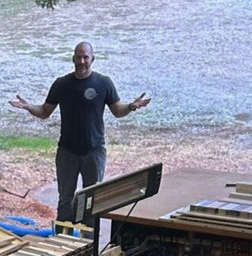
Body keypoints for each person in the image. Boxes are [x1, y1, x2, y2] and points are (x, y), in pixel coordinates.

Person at [10, 41, 151, 222]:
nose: (82, 61)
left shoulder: (104, 83)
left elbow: (117, 111)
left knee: (92, 201)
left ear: (93, 58)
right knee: (65, 200)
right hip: (67, 151)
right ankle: (63, 241)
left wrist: (131, 106)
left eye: (86, 57)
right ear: (73, 59)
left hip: (94, 151)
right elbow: (45, 112)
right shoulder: (61, 84)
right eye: (79, 57)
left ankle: (88, 243)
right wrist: (29, 107)